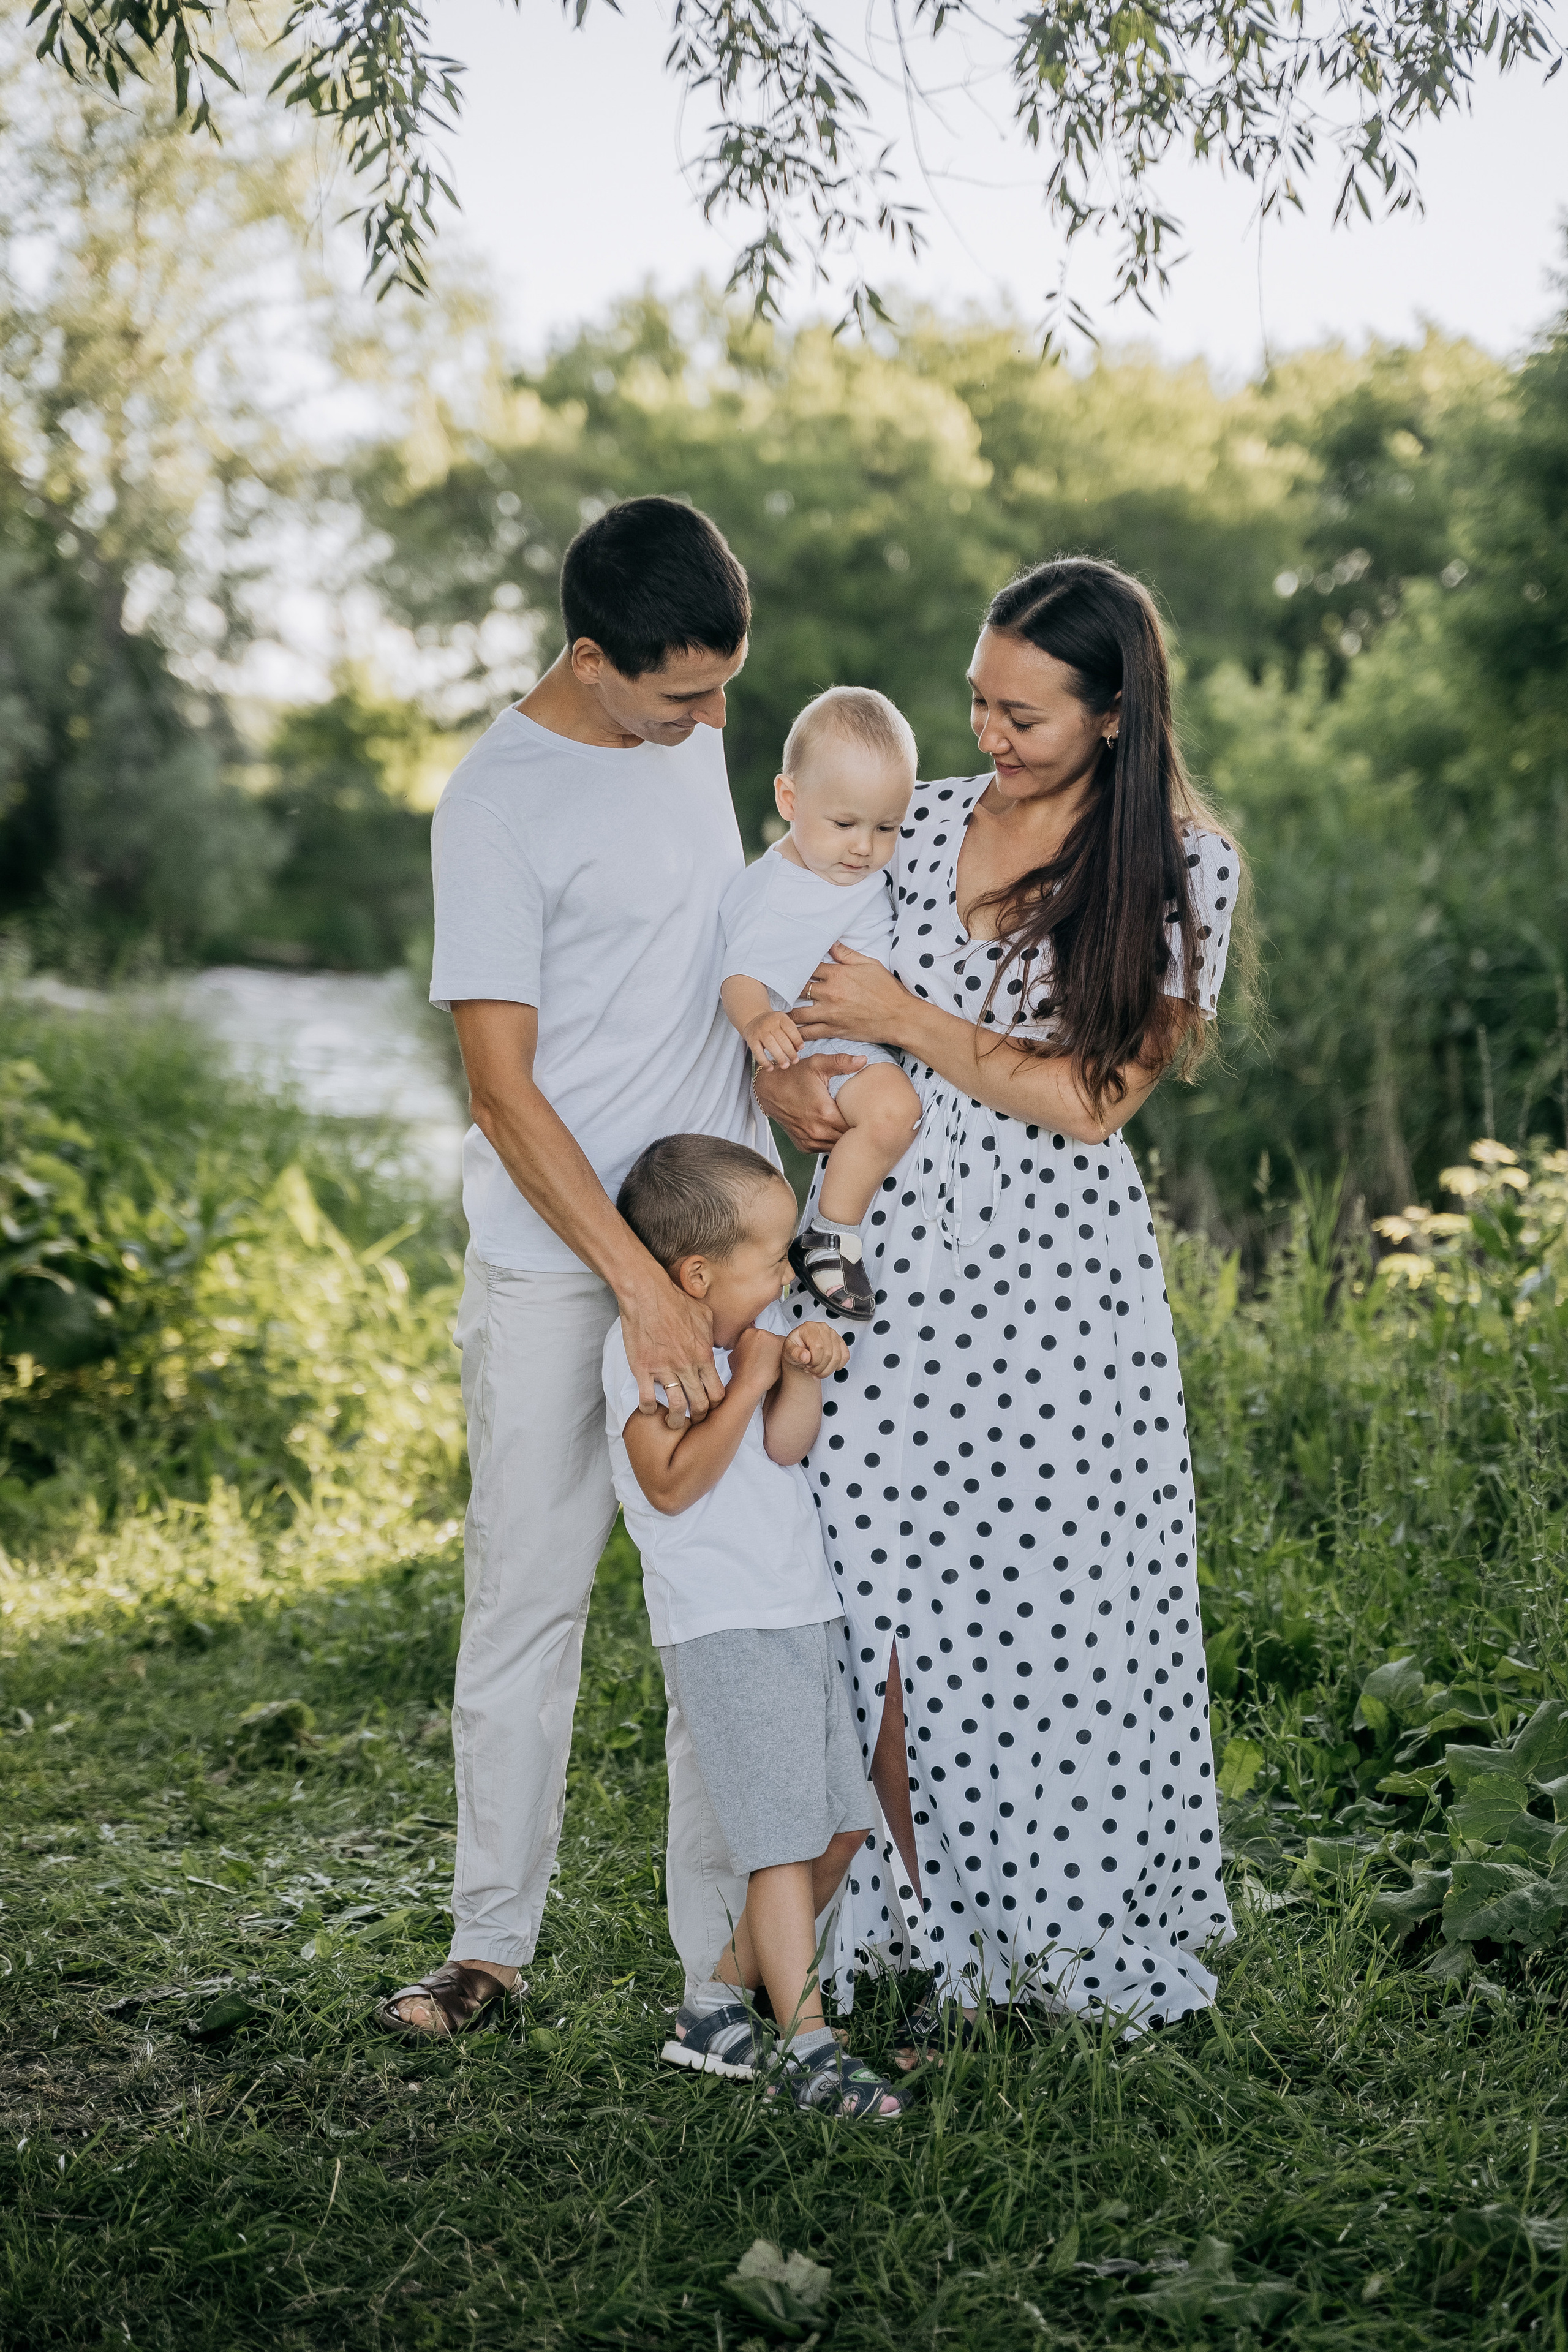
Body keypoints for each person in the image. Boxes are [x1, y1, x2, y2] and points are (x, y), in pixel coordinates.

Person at [377, 498, 864, 2039]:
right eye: (682, 695)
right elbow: (502, 1090)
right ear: (590, 659)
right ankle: (487, 1951)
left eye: (726, 685)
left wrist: (774, 1073)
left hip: (720, 1261)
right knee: (526, 1595)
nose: (714, 720)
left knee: (722, 1604)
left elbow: (712, 948)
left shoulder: (688, 735)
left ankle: (721, 1976)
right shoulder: (496, 804)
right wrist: (632, 1284)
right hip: (553, 1264)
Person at [761, 556, 1241, 2051]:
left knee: (1044, 1599)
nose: (985, 727)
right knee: (874, 1583)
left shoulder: (1177, 864)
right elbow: (797, 975)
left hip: (1051, 1284)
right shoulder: (918, 819)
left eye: (1021, 710)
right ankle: (909, 1934)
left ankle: (1031, 1922)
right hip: (884, 1240)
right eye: (976, 693)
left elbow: (1091, 1102)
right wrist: (797, 1069)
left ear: (1110, 715)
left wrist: (904, 1018)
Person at [603, 1132, 907, 2119]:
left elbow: (785, 1448)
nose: (788, 1276)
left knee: (842, 1830)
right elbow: (672, 1482)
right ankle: (809, 2047)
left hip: (799, 1611)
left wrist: (802, 1374)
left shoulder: (758, 1333)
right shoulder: (643, 1353)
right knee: (781, 1847)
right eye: (773, 1259)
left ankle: (715, 2006)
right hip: (725, 1623)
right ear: (696, 1274)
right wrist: (746, 1378)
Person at [719, 686, 923, 1320]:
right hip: (828, 1042)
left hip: (867, 1032)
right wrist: (757, 1020)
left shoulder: (840, 868)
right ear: (789, 800)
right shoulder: (782, 889)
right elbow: (739, 975)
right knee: (892, 1113)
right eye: (845, 825)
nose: (864, 847)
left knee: (891, 1116)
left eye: (886, 827)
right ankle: (829, 1237)